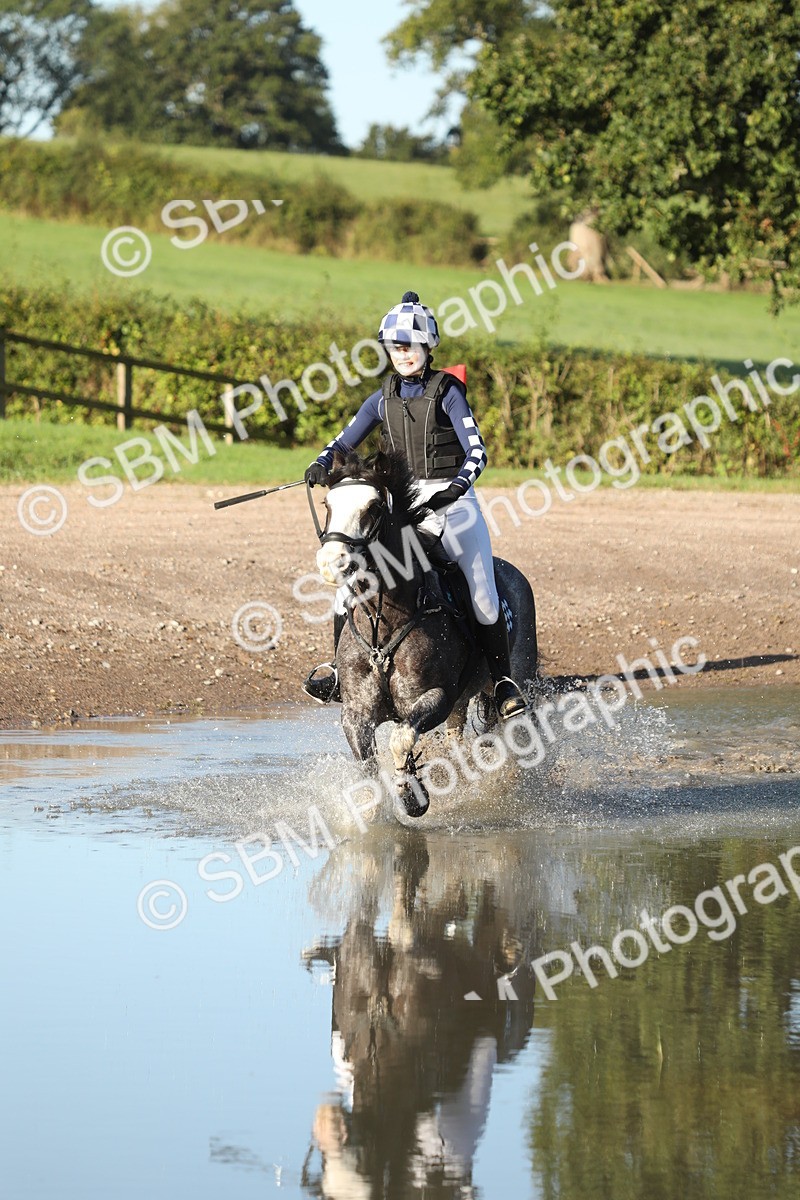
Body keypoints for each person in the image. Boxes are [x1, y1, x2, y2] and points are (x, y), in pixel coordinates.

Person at [302, 291, 527, 719]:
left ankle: (502, 683)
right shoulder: (381, 398)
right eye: (395, 347)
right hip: (403, 506)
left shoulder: (448, 392)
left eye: (410, 346)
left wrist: (455, 488)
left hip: (454, 503)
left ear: (427, 347)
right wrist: (320, 462)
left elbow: (477, 452)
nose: (402, 354)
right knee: (347, 588)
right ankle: (338, 671)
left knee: (482, 593)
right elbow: (342, 442)